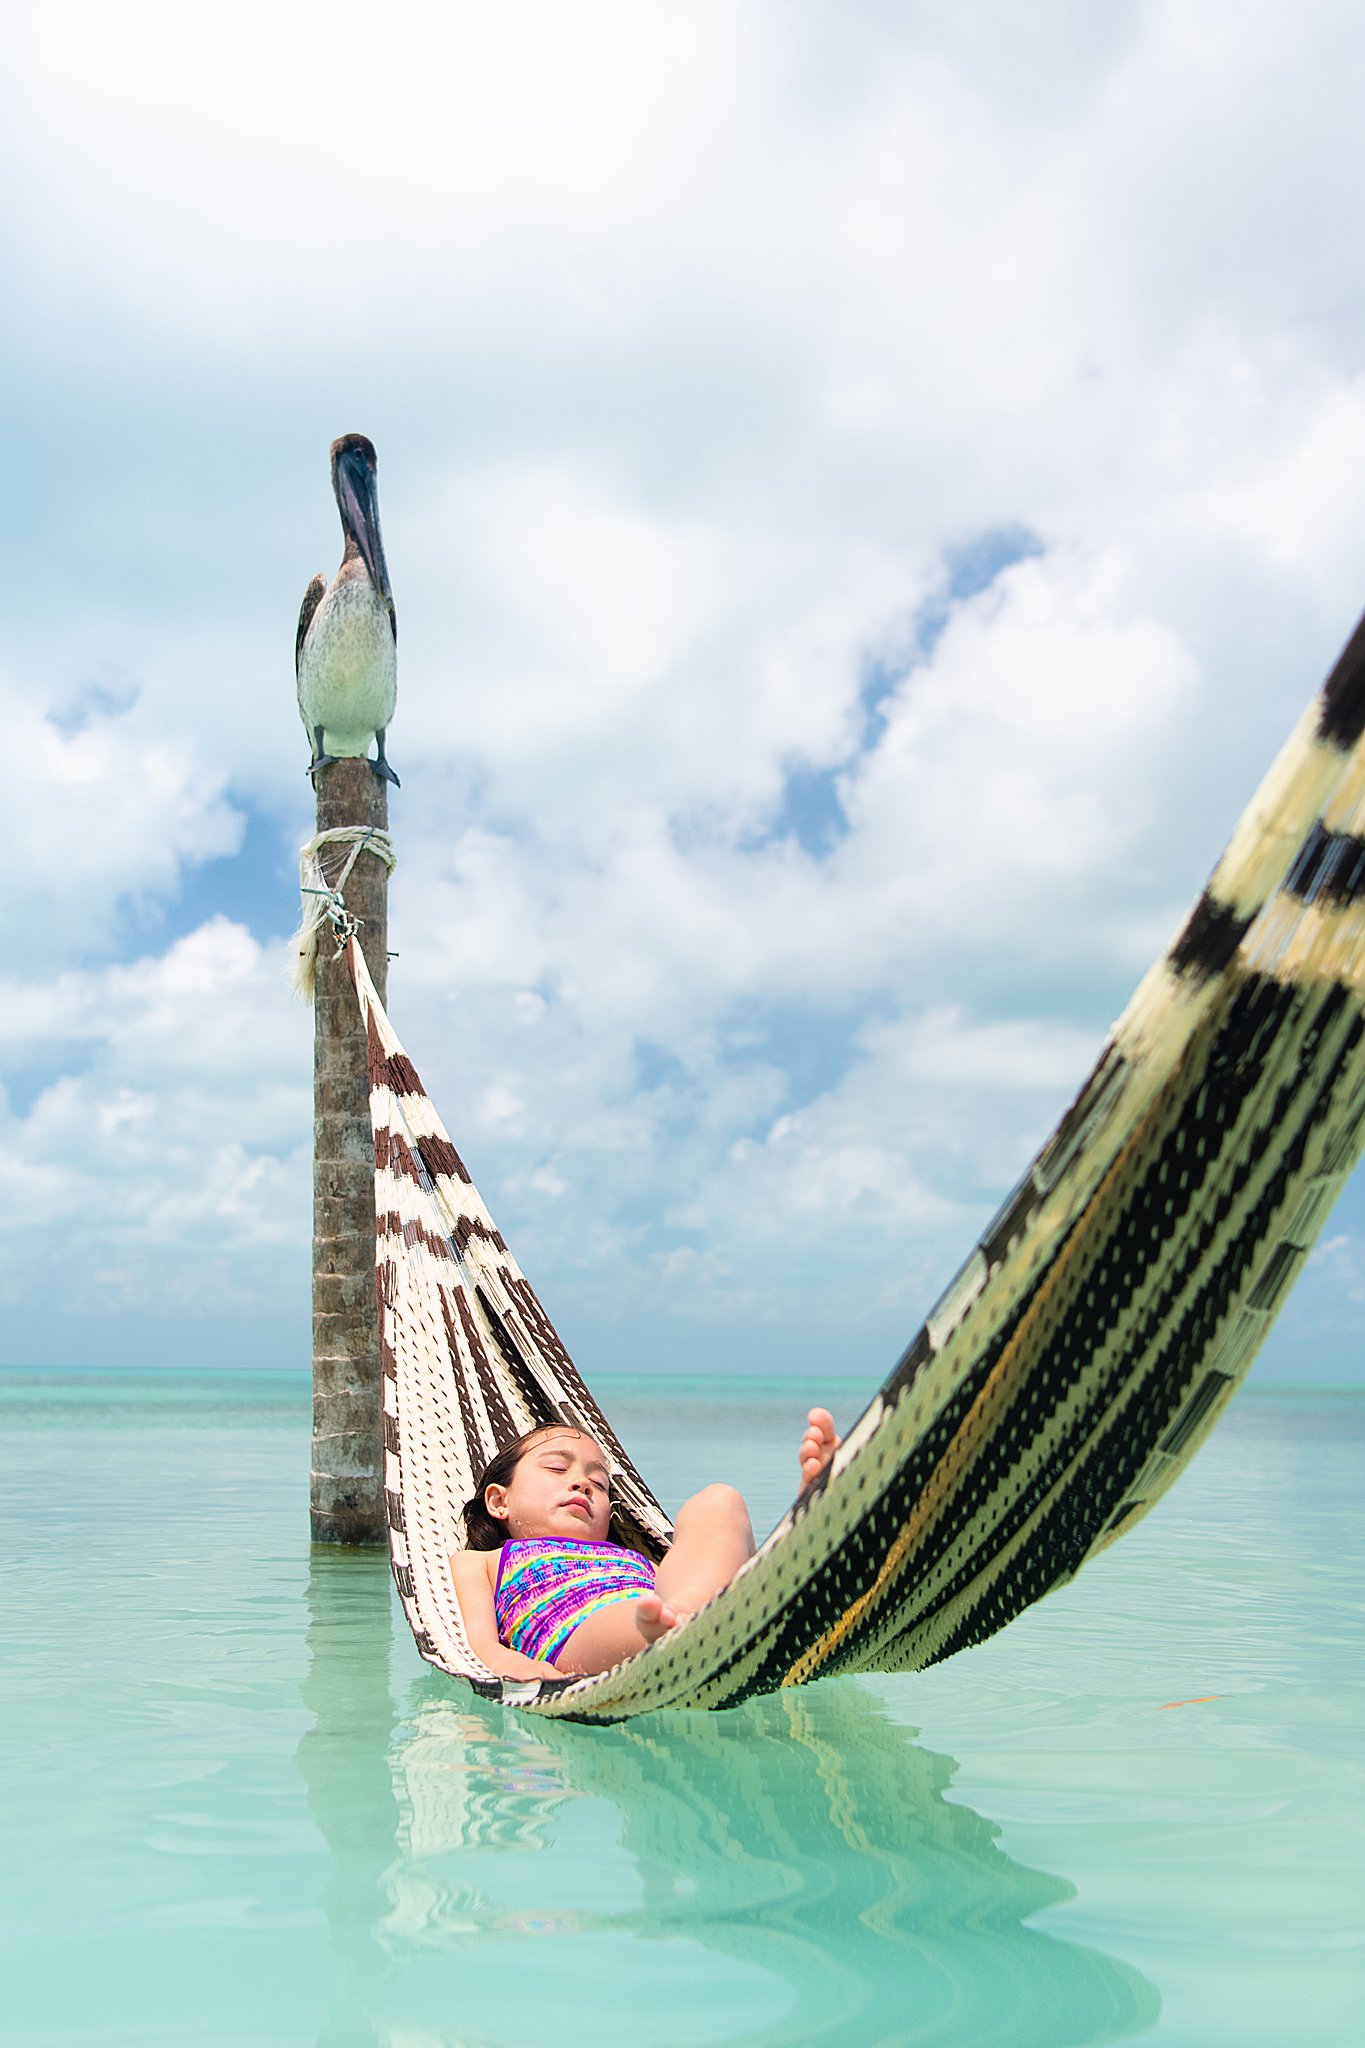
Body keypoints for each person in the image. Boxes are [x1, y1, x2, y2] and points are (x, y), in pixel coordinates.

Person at [450, 1409, 841, 1679]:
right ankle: (708, 1617)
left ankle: (799, 1548)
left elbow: (701, 1570)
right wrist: (515, 1670)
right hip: (579, 1635)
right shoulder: (483, 1561)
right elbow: (478, 1642)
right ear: (499, 1501)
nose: (583, 1482)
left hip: (665, 1611)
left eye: (599, 1484)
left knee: (719, 1500)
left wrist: (687, 1602)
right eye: (556, 1467)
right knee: (648, 1612)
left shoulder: (633, 1559)